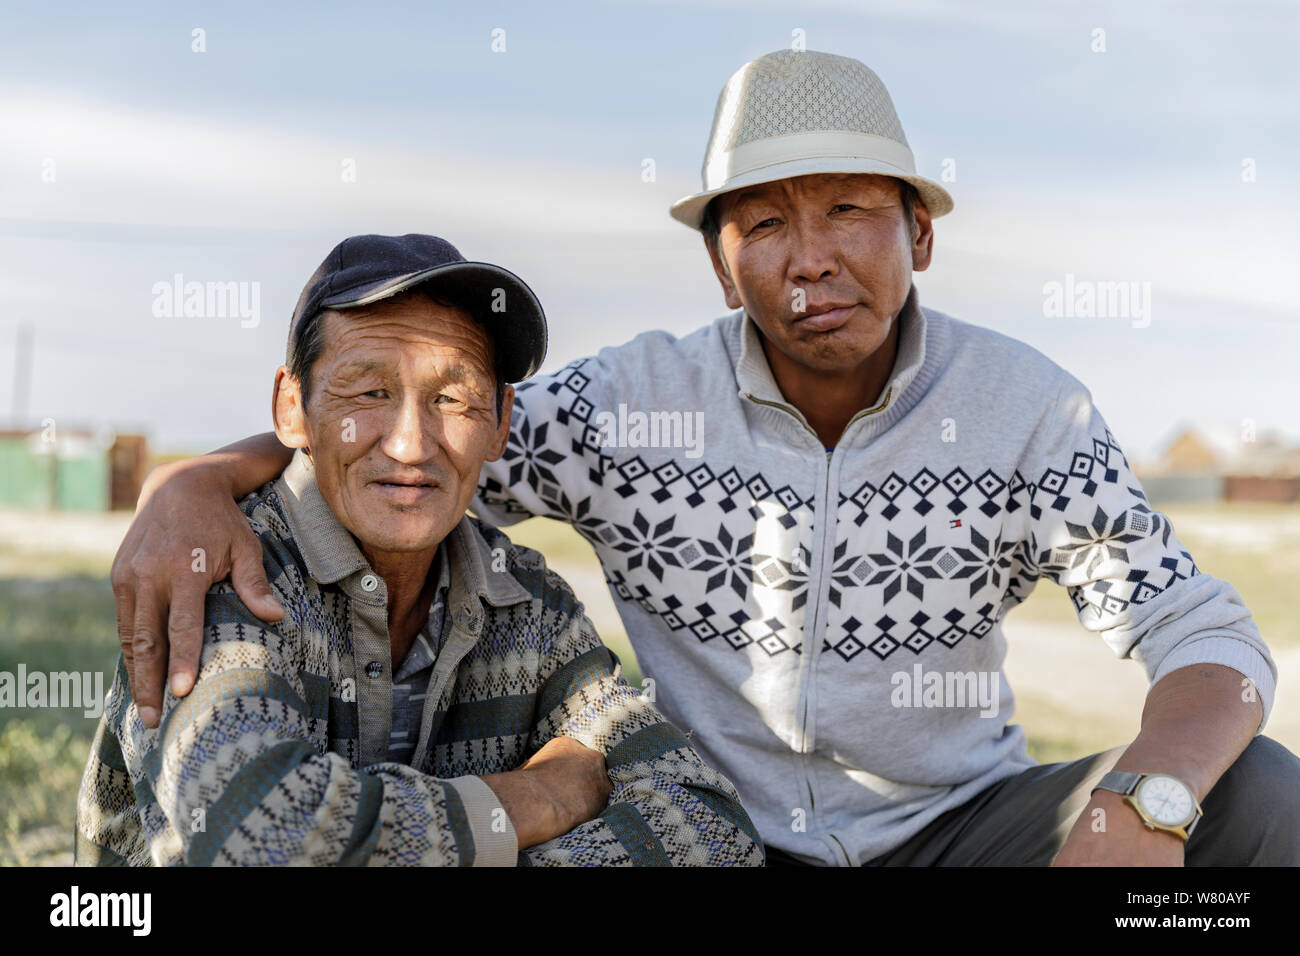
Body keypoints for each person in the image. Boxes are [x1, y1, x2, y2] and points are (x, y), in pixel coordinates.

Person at [108, 51, 1299, 866]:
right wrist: (198, 480)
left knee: (1257, 797)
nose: (811, 256)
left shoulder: (1026, 409)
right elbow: (432, 436)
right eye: (767, 222)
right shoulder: (631, 403)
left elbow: (1205, 637)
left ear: (920, 231)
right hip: (729, 840)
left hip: (960, 829)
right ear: (722, 265)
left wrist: (1147, 801)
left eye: (848, 210)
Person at [76, 233, 764, 866]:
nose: (410, 444)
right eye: (370, 390)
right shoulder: (227, 571)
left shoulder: (527, 599)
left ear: (500, 426)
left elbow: (711, 831)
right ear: (292, 409)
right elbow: (262, 839)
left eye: (453, 399)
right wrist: (542, 798)